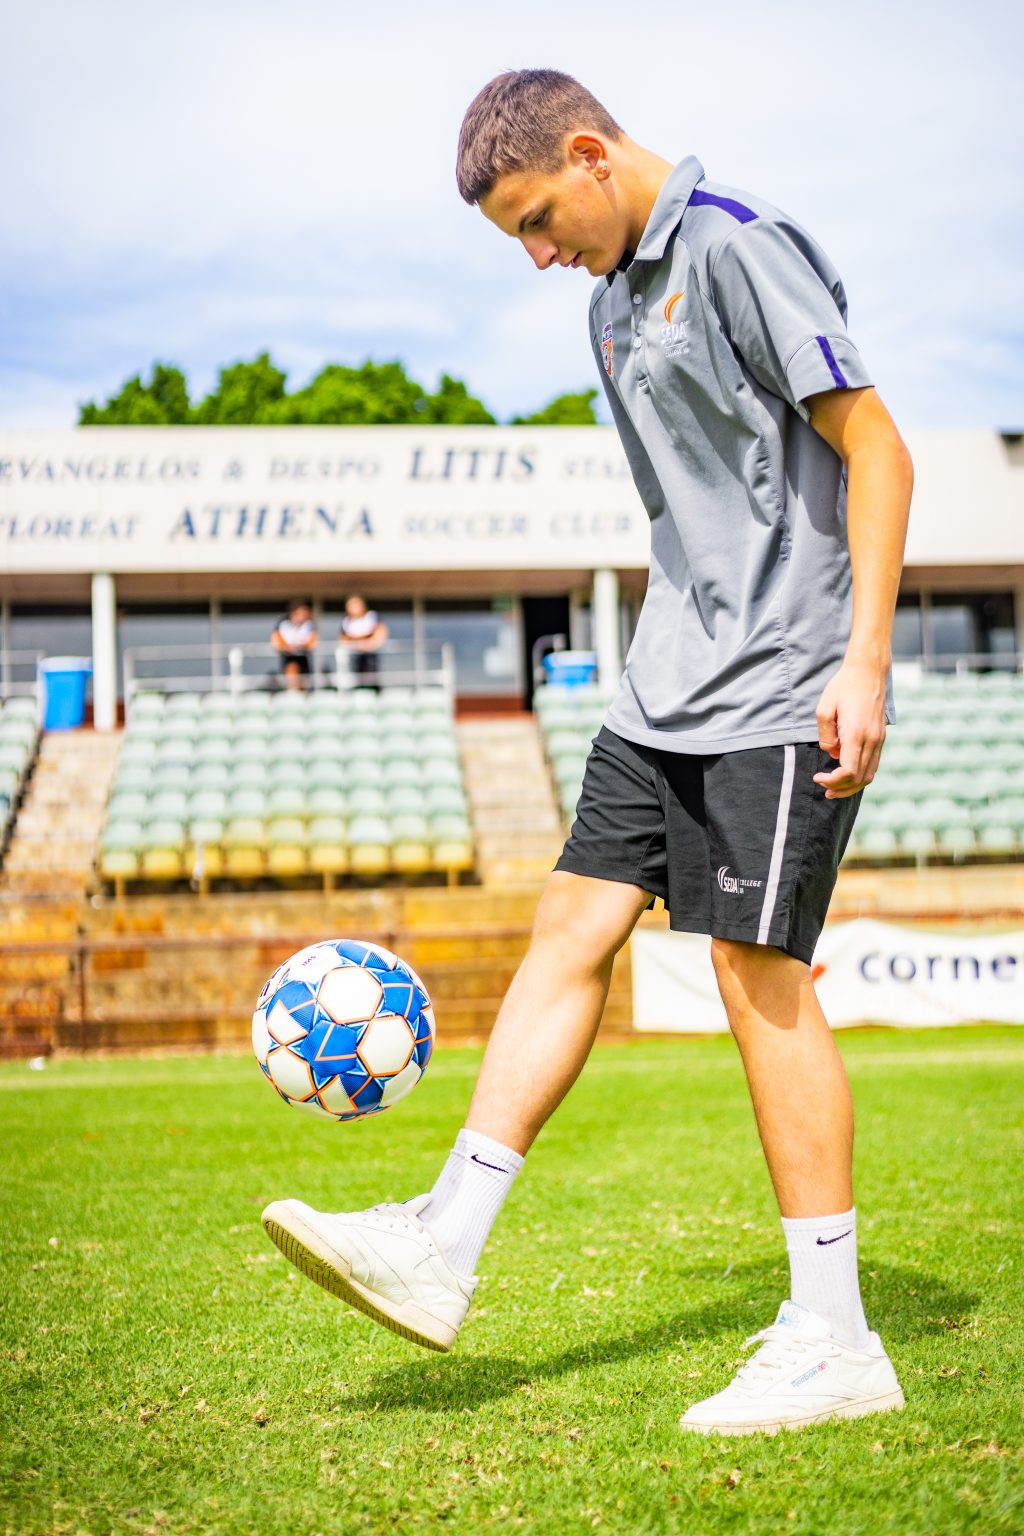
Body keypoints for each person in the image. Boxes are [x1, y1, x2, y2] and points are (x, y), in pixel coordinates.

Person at [262, 70, 914, 1435]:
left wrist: (862, 660)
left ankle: (838, 1338)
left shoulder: (736, 247)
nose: (537, 252)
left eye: (537, 219)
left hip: (780, 685)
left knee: (755, 975)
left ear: (588, 154)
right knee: (569, 927)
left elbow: (877, 447)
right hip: (664, 683)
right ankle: (443, 1244)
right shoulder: (610, 307)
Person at [337, 595, 388, 686]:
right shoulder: (346, 621)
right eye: (350, 606)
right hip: (354, 656)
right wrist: (358, 642)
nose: (352, 609)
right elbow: (343, 639)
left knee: (371, 679)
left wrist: (368, 644)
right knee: (357, 680)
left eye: (355, 606)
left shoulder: (372, 617)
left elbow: (381, 633)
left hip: (370, 655)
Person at [271, 601, 318, 690]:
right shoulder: (283, 624)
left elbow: (312, 642)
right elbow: (276, 641)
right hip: (288, 658)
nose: (304, 616)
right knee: (292, 670)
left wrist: (300, 647)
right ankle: (293, 690)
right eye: (302, 613)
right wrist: (286, 647)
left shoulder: (309, 625)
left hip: (304, 658)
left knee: (305, 682)